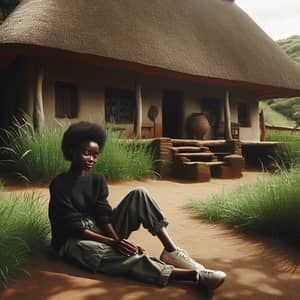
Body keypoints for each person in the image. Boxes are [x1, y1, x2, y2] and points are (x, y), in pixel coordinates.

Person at [48, 121, 226, 291]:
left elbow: (103, 215)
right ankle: (195, 276)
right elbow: (71, 226)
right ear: (71, 152)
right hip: (72, 241)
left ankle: (171, 251)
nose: (91, 159)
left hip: (100, 230)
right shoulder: (59, 184)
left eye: (95, 155)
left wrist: (118, 240)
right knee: (115, 255)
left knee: (140, 194)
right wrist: (113, 243)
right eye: (86, 153)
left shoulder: (97, 180)